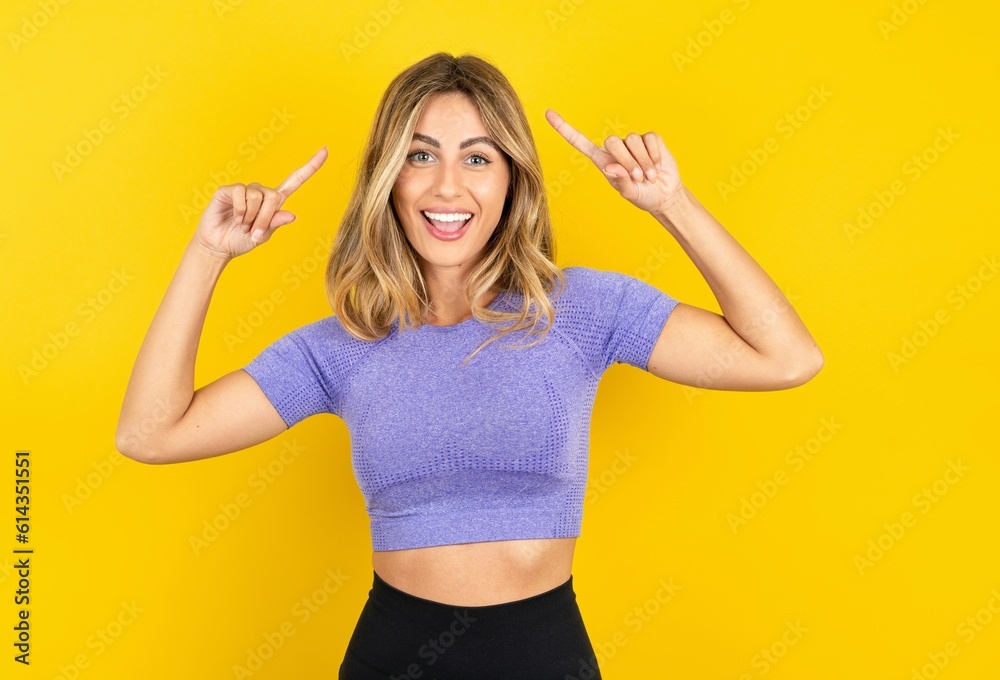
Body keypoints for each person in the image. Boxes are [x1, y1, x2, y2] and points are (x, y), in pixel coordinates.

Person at [116, 52, 822, 679]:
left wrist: (672, 204)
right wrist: (208, 255)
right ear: (388, 179)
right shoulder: (341, 345)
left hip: (545, 656)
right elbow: (150, 434)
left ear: (513, 180)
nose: (448, 187)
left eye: (478, 158)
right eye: (421, 156)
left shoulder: (580, 311)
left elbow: (785, 357)